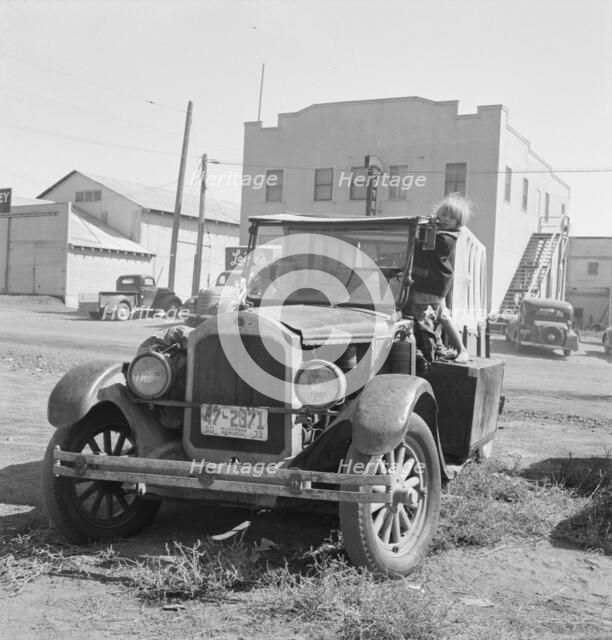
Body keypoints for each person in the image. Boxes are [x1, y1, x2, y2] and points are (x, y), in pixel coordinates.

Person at [405, 194, 472, 367]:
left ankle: (457, 349)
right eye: (443, 215)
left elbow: (424, 247)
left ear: (459, 222)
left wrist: (425, 228)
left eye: (452, 217)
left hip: (431, 282)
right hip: (433, 281)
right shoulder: (439, 233)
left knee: (419, 315)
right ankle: (443, 347)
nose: (446, 219)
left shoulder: (446, 238)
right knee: (440, 315)